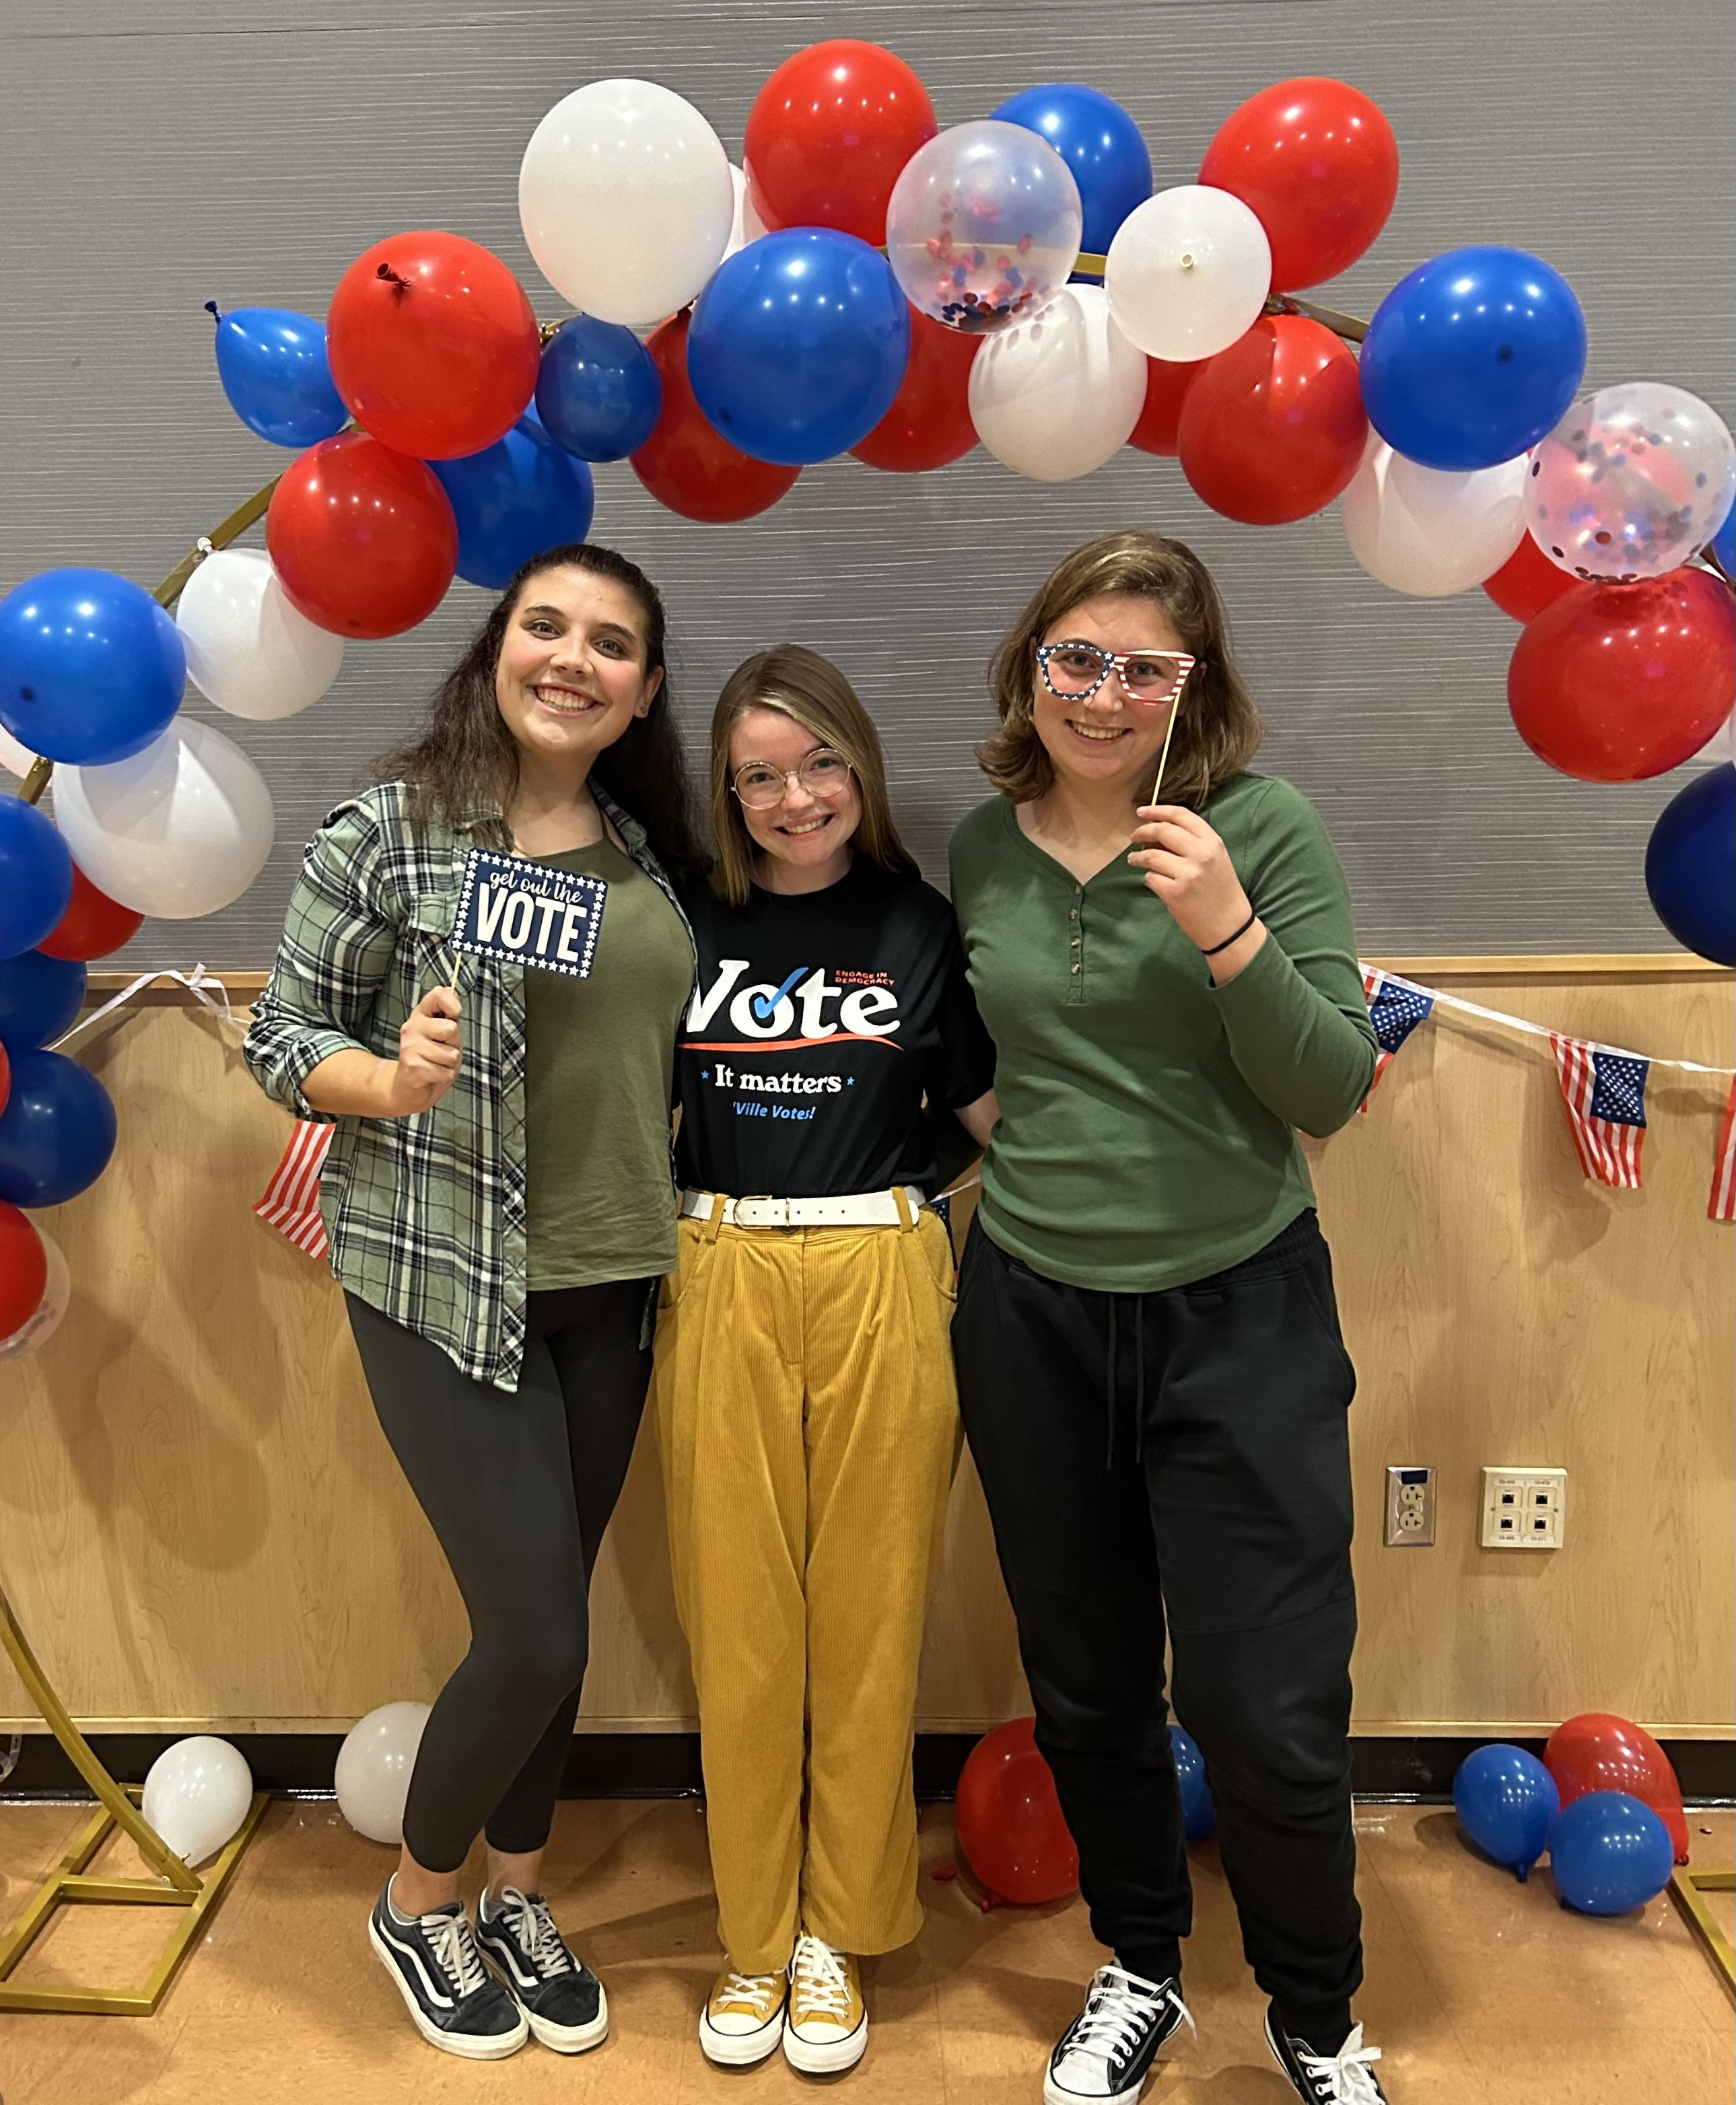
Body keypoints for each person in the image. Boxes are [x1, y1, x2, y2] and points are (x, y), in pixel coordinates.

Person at [947, 532, 1389, 2105]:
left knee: (1268, 1706)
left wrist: (1228, 928)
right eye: (1078, 658)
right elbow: (967, 1060)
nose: (1105, 694)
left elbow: (1334, 1084)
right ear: (1031, 664)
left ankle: (1319, 2017)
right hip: (1032, 1314)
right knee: (1085, 1683)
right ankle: (1139, 1964)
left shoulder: (1258, 829)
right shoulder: (983, 852)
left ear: (1189, 688)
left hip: (1241, 1317)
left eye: (1147, 667)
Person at [244, 543, 699, 2063]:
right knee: (539, 1633)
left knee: (551, 1621)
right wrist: (389, 1075)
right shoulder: (393, 830)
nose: (574, 659)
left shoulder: (650, 850)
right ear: (497, 647)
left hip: (616, 1287)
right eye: (546, 626)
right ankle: (417, 1896)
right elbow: (278, 1031)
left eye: (613, 644)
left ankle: (516, 1887)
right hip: (448, 1287)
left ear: (643, 692)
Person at [651, 645, 998, 2077]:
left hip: (883, 1268)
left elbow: (991, 1113)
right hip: (719, 1265)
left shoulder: (919, 922)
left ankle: (835, 1932)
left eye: (819, 766)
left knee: (869, 1615)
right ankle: (750, 1931)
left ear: (858, 765)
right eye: (760, 776)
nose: (795, 798)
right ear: (726, 794)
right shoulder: (681, 921)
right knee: (737, 1618)